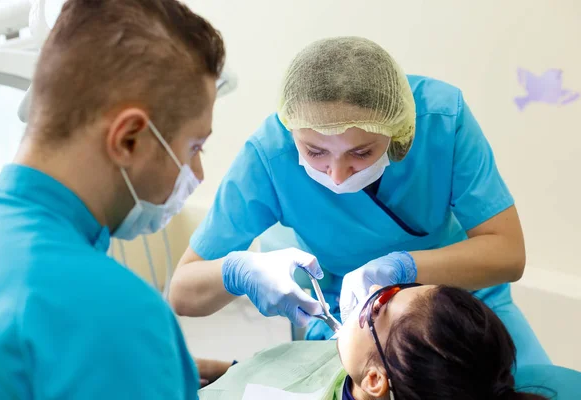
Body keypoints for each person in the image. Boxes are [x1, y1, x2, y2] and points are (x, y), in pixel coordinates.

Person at [169, 36, 550, 367]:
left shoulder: (441, 121)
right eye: (315, 151)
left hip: (459, 294)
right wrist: (239, 271)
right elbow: (183, 290)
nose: (337, 175)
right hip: (350, 314)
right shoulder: (269, 154)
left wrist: (404, 267)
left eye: (361, 153)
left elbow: (507, 254)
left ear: (399, 132)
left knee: (527, 383)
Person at [0, 0, 225, 398]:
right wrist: (136, 354)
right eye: (195, 146)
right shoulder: (116, 315)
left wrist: (141, 367)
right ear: (129, 138)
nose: (197, 173)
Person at [197, 284, 551, 399]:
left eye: (378, 309)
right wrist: (222, 370)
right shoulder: (356, 370)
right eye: (395, 288)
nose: (370, 294)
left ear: (375, 380)